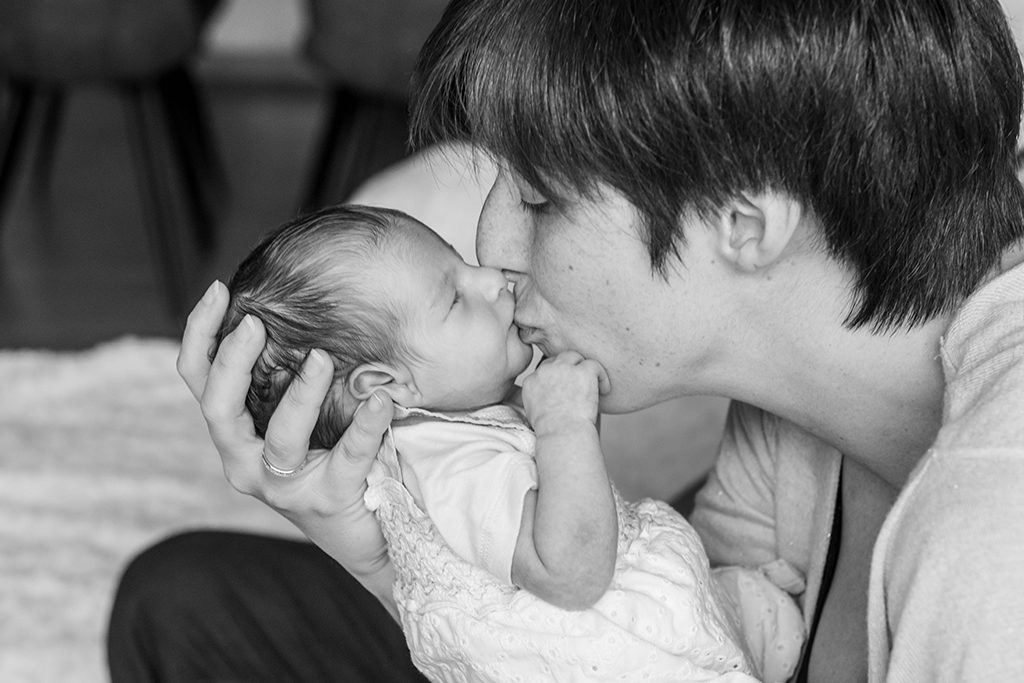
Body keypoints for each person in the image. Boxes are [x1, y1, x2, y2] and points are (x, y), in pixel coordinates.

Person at [108, 0, 1024, 681]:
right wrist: (386, 554)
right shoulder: (791, 396)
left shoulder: (990, 546)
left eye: (541, 200)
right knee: (187, 600)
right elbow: (635, 650)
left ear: (747, 223)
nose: (495, 251)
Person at [211, 202, 803, 682]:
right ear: (388, 385)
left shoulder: (445, 437)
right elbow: (570, 572)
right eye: (454, 297)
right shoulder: (449, 467)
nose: (492, 279)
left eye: (460, 264)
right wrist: (564, 426)